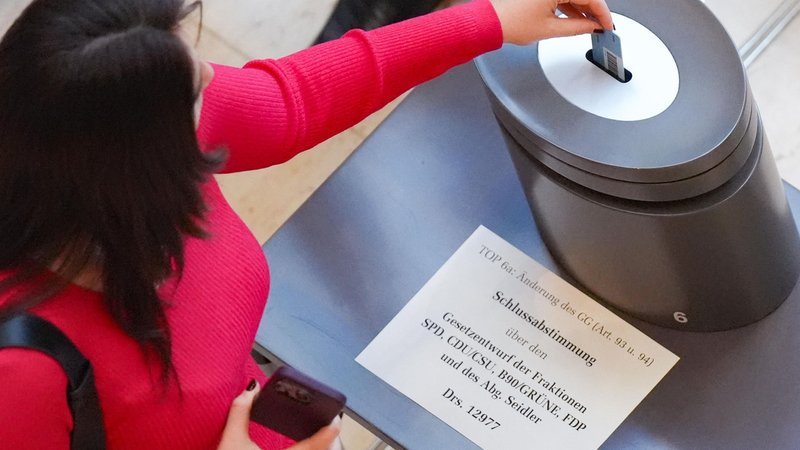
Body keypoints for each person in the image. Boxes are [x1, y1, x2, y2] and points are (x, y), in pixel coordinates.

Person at [0, 0, 612, 448]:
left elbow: (291, 99)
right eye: (194, 93)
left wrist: (489, 20)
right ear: (137, 163)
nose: (213, 79)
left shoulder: (100, 141)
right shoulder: (19, 373)